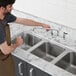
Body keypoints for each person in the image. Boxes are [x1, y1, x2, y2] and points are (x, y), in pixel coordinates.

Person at [0, 0, 50, 76]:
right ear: (2, 8)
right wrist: (17, 43)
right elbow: (5, 50)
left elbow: (23, 21)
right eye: (10, 6)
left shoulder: (5, 16)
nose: (12, 8)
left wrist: (41, 24)